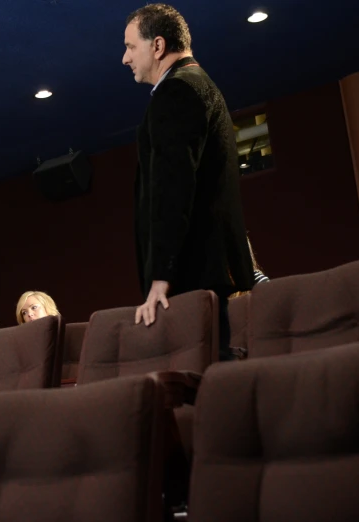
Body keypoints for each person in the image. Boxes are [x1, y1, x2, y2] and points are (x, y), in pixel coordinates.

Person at [123, 4, 254, 360]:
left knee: (204, 386)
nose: (125, 57)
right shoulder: (199, 84)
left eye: (131, 46)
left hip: (189, 276)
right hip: (202, 273)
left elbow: (173, 188)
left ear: (158, 46)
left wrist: (161, 278)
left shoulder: (177, 92)